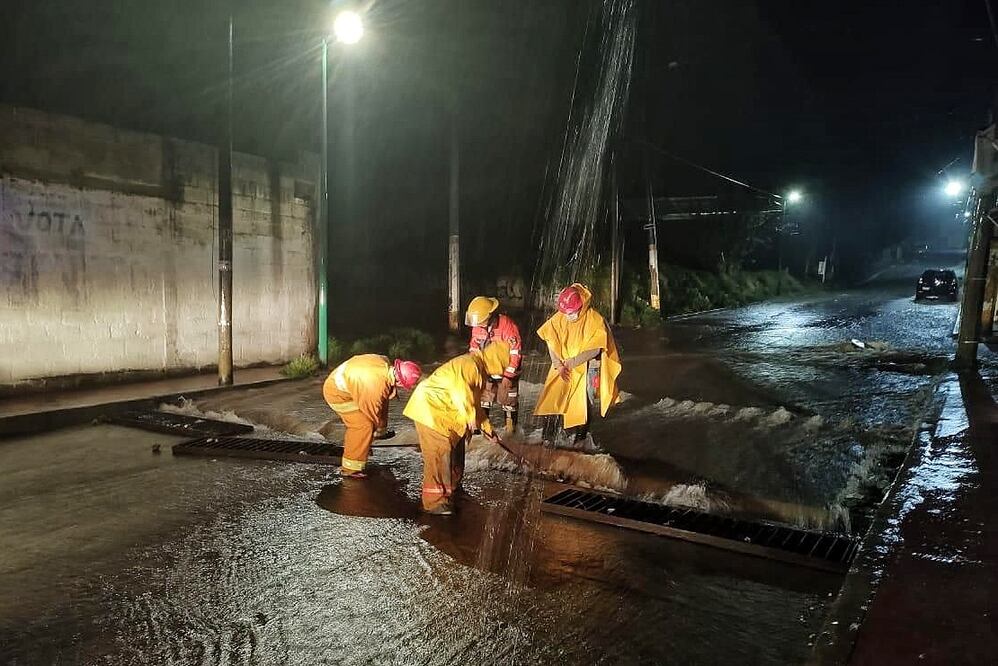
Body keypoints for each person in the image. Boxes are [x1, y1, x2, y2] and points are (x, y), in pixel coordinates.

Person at [403, 342, 510, 515]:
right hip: (431, 410)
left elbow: (474, 404)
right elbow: (460, 391)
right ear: (496, 361)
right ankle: (434, 503)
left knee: (453, 452)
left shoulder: (477, 369)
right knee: (439, 455)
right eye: (503, 365)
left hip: (443, 413)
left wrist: (488, 430)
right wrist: (469, 416)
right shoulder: (471, 365)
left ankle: (450, 491)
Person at [533, 283, 622, 441]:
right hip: (563, 365)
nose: (568, 316)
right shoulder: (561, 316)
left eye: (571, 313)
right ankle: (548, 439)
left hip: (589, 367)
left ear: (581, 306)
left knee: (584, 404)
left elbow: (595, 349)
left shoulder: (595, 320)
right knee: (553, 399)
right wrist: (558, 364)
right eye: (566, 313)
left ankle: (580, 440)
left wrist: (571, 362)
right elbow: (550, 338)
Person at [322, 354, 422, 478]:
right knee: (363, 426)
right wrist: (367, 441)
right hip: (338, 394)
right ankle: (349, 469)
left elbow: (380, 400)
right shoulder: (374, 386)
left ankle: (380, 433)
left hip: (351, 384)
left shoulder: (384, 363)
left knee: (384, 397)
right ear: (401, 383)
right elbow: (371, 415)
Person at [465, 296, 523, 432]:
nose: (478, 325)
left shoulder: (508, 326)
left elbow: (515, 353)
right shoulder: (477, 328)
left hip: (507, 372)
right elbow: (474, 349)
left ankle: (511, 435)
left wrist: (508, 377)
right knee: (483, 402)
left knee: (509, 404)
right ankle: (482, 435)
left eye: (480, 322)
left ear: (490, 316)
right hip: (487, 372)